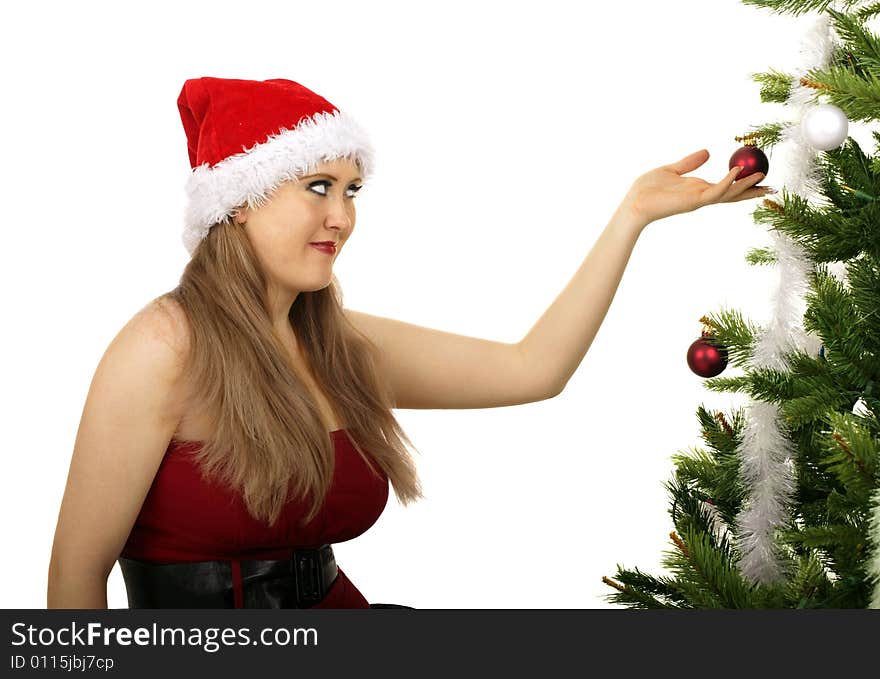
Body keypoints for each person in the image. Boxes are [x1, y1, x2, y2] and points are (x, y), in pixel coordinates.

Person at [46, 76, 773, 610]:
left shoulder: (336, 342)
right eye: (318, 186)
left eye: (351, 191)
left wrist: (631, 217)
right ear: (238, 200)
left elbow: (532, 368)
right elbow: (75, 580)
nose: (342, 217)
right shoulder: (163, 347)